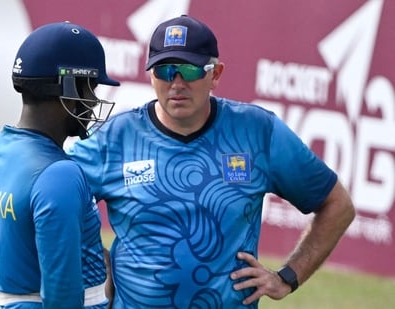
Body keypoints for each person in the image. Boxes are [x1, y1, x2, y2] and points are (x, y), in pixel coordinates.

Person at [67, 15, 356, 308]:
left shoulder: (257, 132)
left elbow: (337, 205)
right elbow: (50, 201)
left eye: (189, 71)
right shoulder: (115, 138)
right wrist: (98, 262)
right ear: (152, 77)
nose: (176, 83)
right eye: (166, 70)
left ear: (215, 74)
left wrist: (287, 277)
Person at [0, 21, 119, 309]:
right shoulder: (60, 174)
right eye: (91, 87)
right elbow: (62, 294)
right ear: (69, 87)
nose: (94, 100)